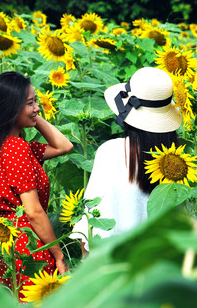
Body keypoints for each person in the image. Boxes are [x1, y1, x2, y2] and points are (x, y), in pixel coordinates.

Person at [0, 72, 73, 298]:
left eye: (36, 101)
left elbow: (64, 146)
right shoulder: (15, 149)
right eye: (30, 103)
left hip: (7, 244)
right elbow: (34, 212)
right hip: (30, 247)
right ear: (9, 108)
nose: (37, 107)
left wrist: (31, 114)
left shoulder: (5, 146)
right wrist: (58, 254)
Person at [71, 67, 181, 253]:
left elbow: (92, 224)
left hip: (117, 266)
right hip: (164, 268)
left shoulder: (110, 152)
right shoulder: (180, 162)